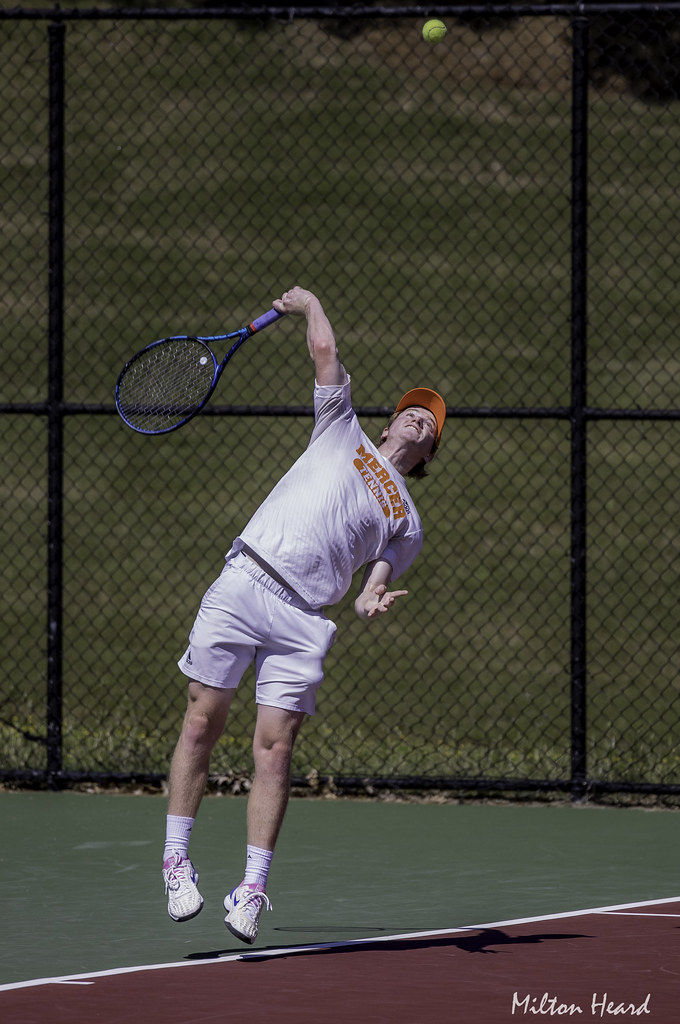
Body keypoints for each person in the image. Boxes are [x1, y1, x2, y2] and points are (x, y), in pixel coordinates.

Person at [161, 286, 446, 944]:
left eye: (430, 425)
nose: (419, 421)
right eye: (412, 412)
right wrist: (309, 302)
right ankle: (177, 863)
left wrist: (372, 597)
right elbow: (324, 349)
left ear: (430, 456)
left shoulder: (408, 520)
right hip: (247, 579)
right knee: (202, 721)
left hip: (303, 620)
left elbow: (377, 578)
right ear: (388, 422)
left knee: (276, 751)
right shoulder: (340, 423)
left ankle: (252, 888)